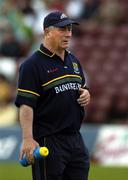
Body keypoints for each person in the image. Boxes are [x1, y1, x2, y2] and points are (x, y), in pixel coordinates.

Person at [15, 10, 91, 180]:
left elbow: (82, 88)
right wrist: (27, 139)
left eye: (70, 29)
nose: (68, 34)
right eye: (62, 29)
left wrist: (86, 93)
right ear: (47, 32)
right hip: (49, 141)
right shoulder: (32, 65)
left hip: (75, 140)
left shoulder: (73, 61)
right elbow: (26, 105)